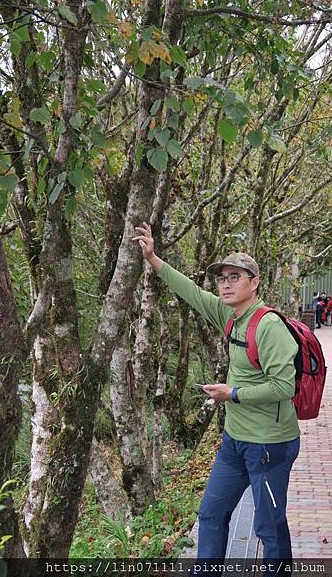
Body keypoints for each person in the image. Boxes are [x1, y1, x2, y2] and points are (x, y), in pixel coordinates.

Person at [133, 223, 300, 569]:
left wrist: (233, 393)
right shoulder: (229, 314)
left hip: (268, 446)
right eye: (222, 277)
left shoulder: (269, 326)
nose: (225, 283)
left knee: (269, 528)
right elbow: (191, 291)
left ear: (254, 283)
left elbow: (286, 387)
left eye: (234, 277)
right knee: (210, 514)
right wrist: (152, 258)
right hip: (234, 442)